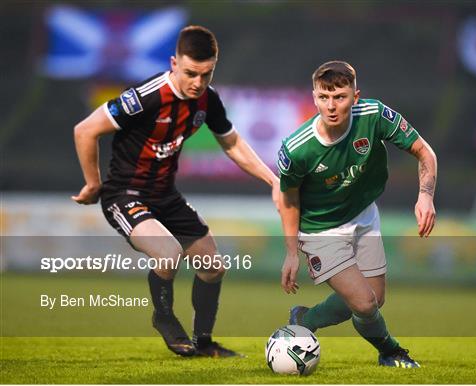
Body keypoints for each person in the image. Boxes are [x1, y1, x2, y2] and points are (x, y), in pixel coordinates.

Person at [72, 25, 279, 357]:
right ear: (173, 63)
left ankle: (204, 343)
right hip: (124, 195)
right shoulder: (146, 97)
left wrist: (274, 182)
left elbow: (233, 143)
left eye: (206, 74)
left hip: (166, 196)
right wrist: (93, 183)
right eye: (190, 73)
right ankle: (164, 317)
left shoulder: (207, 100)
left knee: (213, 267)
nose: (198, 82)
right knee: (168, 254)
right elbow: (85, 130)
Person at [277, 61, 437, 368]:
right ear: (314, 97)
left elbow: (423, 151)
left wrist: (426, 196)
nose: (332, 105)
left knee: (374, 299)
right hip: (320, 229)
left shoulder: (374, 115)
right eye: (324, 97)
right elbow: (288, 199)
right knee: (364, 304)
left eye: (340, 96)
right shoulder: (298, 149)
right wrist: (291, 252)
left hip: (364, 214)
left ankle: (305, 318)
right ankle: (391, 352)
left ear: (356, 96)